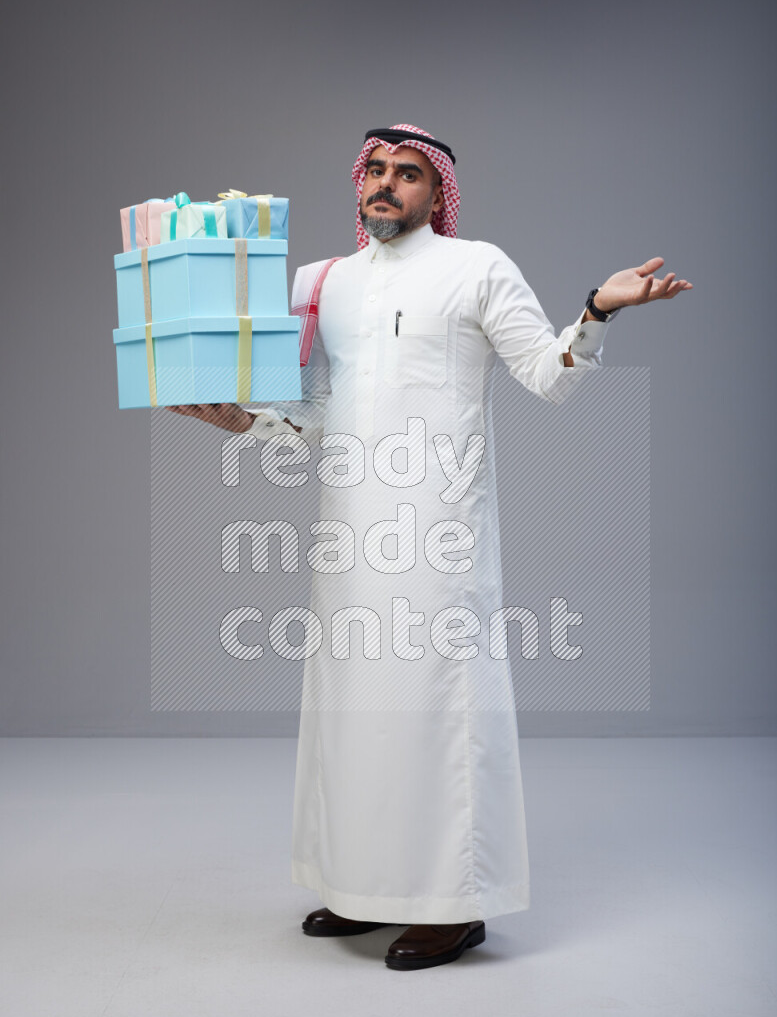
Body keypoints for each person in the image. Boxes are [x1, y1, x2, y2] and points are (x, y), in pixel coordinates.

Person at [167, 123, 691, 971]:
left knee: (435, 711)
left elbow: (550, 375)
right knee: (352, 712)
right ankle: (361, 887)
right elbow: (312, 413)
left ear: (436, 190)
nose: (386, 184)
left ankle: (453, 906)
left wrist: (597, 311)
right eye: (375, 169)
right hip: (350, 529)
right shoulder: (320, 281)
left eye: (407, 173)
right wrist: (242, 421)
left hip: (439, 532)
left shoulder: (476, 267)